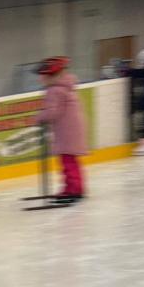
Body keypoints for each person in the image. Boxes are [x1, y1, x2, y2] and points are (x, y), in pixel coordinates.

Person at [36, 56, 87, 203]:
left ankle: (74, 190)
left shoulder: (54, 91)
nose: (40, 79)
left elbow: (52, 112)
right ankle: (72, 188)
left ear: (50, 76)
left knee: (68, 162)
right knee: (70, 161)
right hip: (70, 130)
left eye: (42, 76)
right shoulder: (65, 88)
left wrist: (39, 117)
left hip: (66, 132)